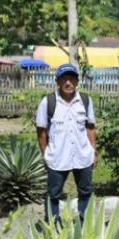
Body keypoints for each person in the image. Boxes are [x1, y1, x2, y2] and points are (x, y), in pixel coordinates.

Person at [35, 63, 96, 221]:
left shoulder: (85, 100)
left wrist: (93, 151)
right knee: (53, 194)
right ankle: (52, 228)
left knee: (85, 192)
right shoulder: (48, 102)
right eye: (64, 79)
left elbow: (90, 127)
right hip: (57, 157)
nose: (68, 83)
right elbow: (41, 131)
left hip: (83, 155)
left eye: (71, 79)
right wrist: (46, 153)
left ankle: (85, 225)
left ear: (77, 81)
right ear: (57, 81)